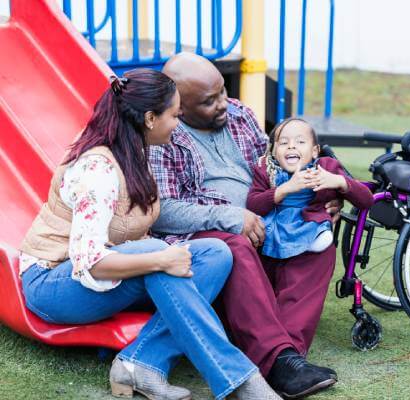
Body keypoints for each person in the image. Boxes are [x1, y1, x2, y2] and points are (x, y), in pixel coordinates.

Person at [18, 69, 280, 400]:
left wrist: (159, 258)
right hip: (55, 281)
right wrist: (158, 258)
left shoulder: (137, 148)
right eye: (174, 114)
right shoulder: (97, 169)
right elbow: (90, 263)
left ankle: (141, 363)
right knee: (159, 259)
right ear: (150, 118)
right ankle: (242, 381)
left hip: (117, 267)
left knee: (215, 253)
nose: (179, 120)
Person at [149, 53, 343, 398]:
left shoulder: (239, 114)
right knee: (233, 245)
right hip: (211, 237)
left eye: (223, 91)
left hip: (269, 223)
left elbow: (274, 166)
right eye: (209, 101)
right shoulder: (164, 136)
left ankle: (287, 355)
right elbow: (164, 212)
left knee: (318, 241)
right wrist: (232, 216)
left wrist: (324, 193)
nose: (224, 104)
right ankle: (276, 358)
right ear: (180, 105)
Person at [247, 117, 373, 261]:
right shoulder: (266, 170)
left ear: (315, 151)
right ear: (275, 151)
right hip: (274, 236)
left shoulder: (326, 168)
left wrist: (339, 181)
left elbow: (367, 200)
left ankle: (314, 237)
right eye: (283, 143)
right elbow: (253, 205)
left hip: (312, 233)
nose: (291, 146)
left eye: (300, 142)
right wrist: (284, 189)